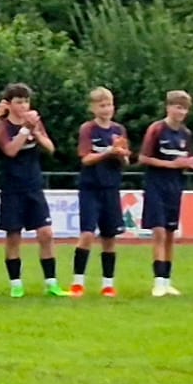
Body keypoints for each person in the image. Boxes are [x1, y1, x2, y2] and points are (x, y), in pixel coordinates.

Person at [0, 82, 65, 297]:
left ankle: (51, 282)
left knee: (46, 233)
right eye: (19, 102)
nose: (23, 106)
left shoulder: (35, 122)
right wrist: (25, 129)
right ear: (9, 104)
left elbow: (50, 148)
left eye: (26, 101)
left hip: (34, 185)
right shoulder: (3, 125)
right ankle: (16, 284)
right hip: (12, 187)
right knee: (13, 236)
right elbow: (11, 150)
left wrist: (37, 132)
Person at [72, 86, 134, 297]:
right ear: (93, 107)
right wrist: (109, 151)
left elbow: (126, 160)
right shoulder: (88, 129)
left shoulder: (119, 130)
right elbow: (86, 158)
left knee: (110, 237)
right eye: (102, 105)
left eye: (109, 104)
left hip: (111, 188)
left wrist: (121, 154)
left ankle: (108, 284)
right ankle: (78, 282)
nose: (106, 109)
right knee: (87, 234)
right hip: (91, 188)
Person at [139, 90, 193, 297]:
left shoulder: (186, 134)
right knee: (159, 232)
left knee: (171, 234)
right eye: (177, 107)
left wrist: (191, 163)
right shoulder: (156, 129)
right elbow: (143, 158)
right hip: (156, 185)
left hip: (175, 186)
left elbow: (186, 159)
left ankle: (167, 281)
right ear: (168, 107)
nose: (180, 112)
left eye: (184, 108)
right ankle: (157, 282)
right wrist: (171, 164)